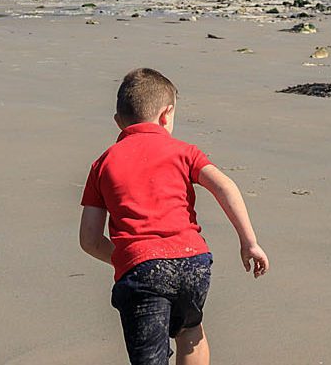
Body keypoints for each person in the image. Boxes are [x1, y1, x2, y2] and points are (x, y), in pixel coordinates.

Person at [80, 68, 269, 365]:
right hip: (193, 261)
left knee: (150, 358)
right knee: (191, 332)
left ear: (118, 121)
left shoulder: (102, 164)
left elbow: (89, 240)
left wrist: (132, 255)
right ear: (167, 115)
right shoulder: (184, 151)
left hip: (142, 273)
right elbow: (224, 186)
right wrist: (249, 242)